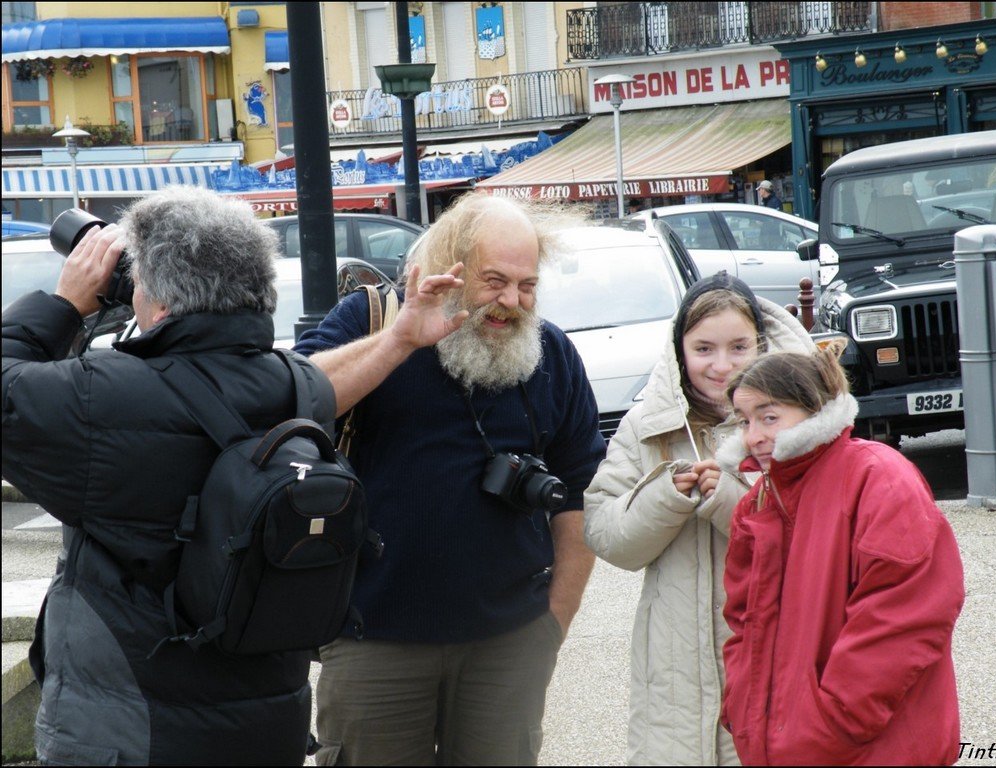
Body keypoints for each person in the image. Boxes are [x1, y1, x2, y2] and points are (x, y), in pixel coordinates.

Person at [1, 186, 335, 765]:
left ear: (155, 294)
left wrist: (65, 304)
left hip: (132, 727)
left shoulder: (99, 399)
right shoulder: (305, 386)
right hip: (267, 718)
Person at [293, 192, 606, 766]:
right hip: (374, 640)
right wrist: (398, 342)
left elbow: (579, 494)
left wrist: (550, 629)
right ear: (450, 265)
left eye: (527, 285)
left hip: (509, 646)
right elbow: (293, 401)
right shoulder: (375, 319)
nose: (511, 302)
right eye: (493, 281)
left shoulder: (552, 354)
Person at [583, 272, 814, 766]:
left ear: (763, 344)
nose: (722, 365)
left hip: (775, 662)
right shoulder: (645, 427)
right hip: (673, 678)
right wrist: (665, 496)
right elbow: (605, 535)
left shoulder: (802, 420)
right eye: (704, 348)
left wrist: (728, 500)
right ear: (678, 351)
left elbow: (813, 536)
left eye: (739, 347)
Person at [718, 344, 964, 765]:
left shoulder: (877, 477)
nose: (753, 435)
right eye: (745, 421)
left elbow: (904, 616)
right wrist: (744, 707)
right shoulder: (759, 501)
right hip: (787, 742)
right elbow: (745, 622)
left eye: (769, 416)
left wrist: (835, 720)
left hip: (872, 745)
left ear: (815, 409)